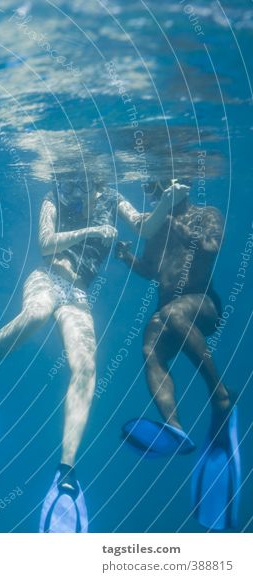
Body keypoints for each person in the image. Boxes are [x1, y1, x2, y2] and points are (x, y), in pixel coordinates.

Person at [0, 177, 169, 533]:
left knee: (86, 367)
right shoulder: (53, 198)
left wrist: (167, 201)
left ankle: (66, 473)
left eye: (87, 181)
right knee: (36, 315)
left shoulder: (112, 197)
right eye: (74, 179)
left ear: (97, 179)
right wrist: (93, 229)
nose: (78, 186)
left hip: (78, 293)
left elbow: (144, 225)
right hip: (47, 277)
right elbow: (46, 245)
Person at [116, 179, 239, 531]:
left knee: (171, 315)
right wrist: (127, 257)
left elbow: (211, 247)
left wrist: (174, 223)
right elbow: (152, 270)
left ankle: (220, 395)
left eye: (158, 189)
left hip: (203, 304)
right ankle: (174, 428)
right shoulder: (157, 227)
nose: (154, 195)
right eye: (153, 191)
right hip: (170, 308)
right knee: (149, 344)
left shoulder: (206, 214)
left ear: (177, 189)